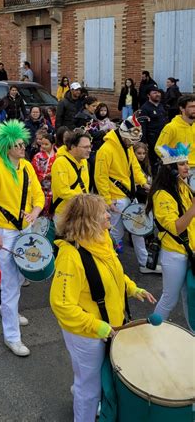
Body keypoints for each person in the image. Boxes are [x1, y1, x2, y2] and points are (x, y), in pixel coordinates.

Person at [50, 194, 156, 422]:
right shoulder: (70, 256)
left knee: (94, 380)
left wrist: (132, 288)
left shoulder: (101, 238)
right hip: (87, 334)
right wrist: (98, 327)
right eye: (103, 213)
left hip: (108, 326)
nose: (110, 214)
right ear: (87, 220)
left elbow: (114, 271)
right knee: (88, 389)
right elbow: (62, 304)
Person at [0, 120, 45, 356]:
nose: (22, 146)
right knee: (10, 283)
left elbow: (38, 196)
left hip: (24, 231)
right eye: (17, 144)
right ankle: (12, 337)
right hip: (5, 233)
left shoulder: (26, 167)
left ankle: (11, 312)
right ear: (7, 148)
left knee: (21, 276)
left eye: (22, 143)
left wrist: (34, 213)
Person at [94, 114, 156, 272]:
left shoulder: (127, 147)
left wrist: (144, 183)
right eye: (132, 140)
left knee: (138, 230)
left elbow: (134, 167)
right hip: (115, 199)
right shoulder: (106, 150)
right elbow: (100, 177)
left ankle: (144, 264)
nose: (133, 144)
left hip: (129, 196)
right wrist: (107, 201)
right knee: (115, 234)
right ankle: (108, 264)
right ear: (123, 135)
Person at [148, 143, 194, 330]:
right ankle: (151, 331)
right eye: (181, 164)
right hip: (174, 254)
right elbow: (176, 227)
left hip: (188, 250)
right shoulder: (162, 195)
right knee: (169, 298)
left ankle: (192, 330)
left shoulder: (181, 186)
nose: (187, 167)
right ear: (171, 170)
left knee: (188, 296)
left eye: (186, 163)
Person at [50, 130, 91, 223]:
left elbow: (85, 186)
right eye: (85, 147)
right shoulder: (60, 162)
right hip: (65, 214)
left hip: (81, 210)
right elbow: (62, 191)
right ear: (73, 147)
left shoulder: (83, 161)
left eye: (89, 146)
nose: (89, 150)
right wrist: (87, 199)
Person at [156, 95, 195, 175]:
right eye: (191, 106)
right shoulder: (171, 127)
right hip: (181, 171)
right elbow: (159, 148)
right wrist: (175, 165)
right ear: (182, 108)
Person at [140, 86, 167, 170]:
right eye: (154, 93)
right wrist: (144, 142)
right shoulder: (145, 108)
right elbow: (142, 126)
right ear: (149, 95)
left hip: (163, 138)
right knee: (154, 162)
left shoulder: (161, 106)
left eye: (158, 92)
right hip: (152, 139)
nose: (157, 94)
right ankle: (155, 180)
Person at [31, 133, 56, 215]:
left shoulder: (58, 156)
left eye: (46, 144)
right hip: (40, 188)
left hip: (54, 189)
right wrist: (45, 176)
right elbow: (34, 172)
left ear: (53, 144)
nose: (43, 146)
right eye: (42, 144)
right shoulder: (37, 157)